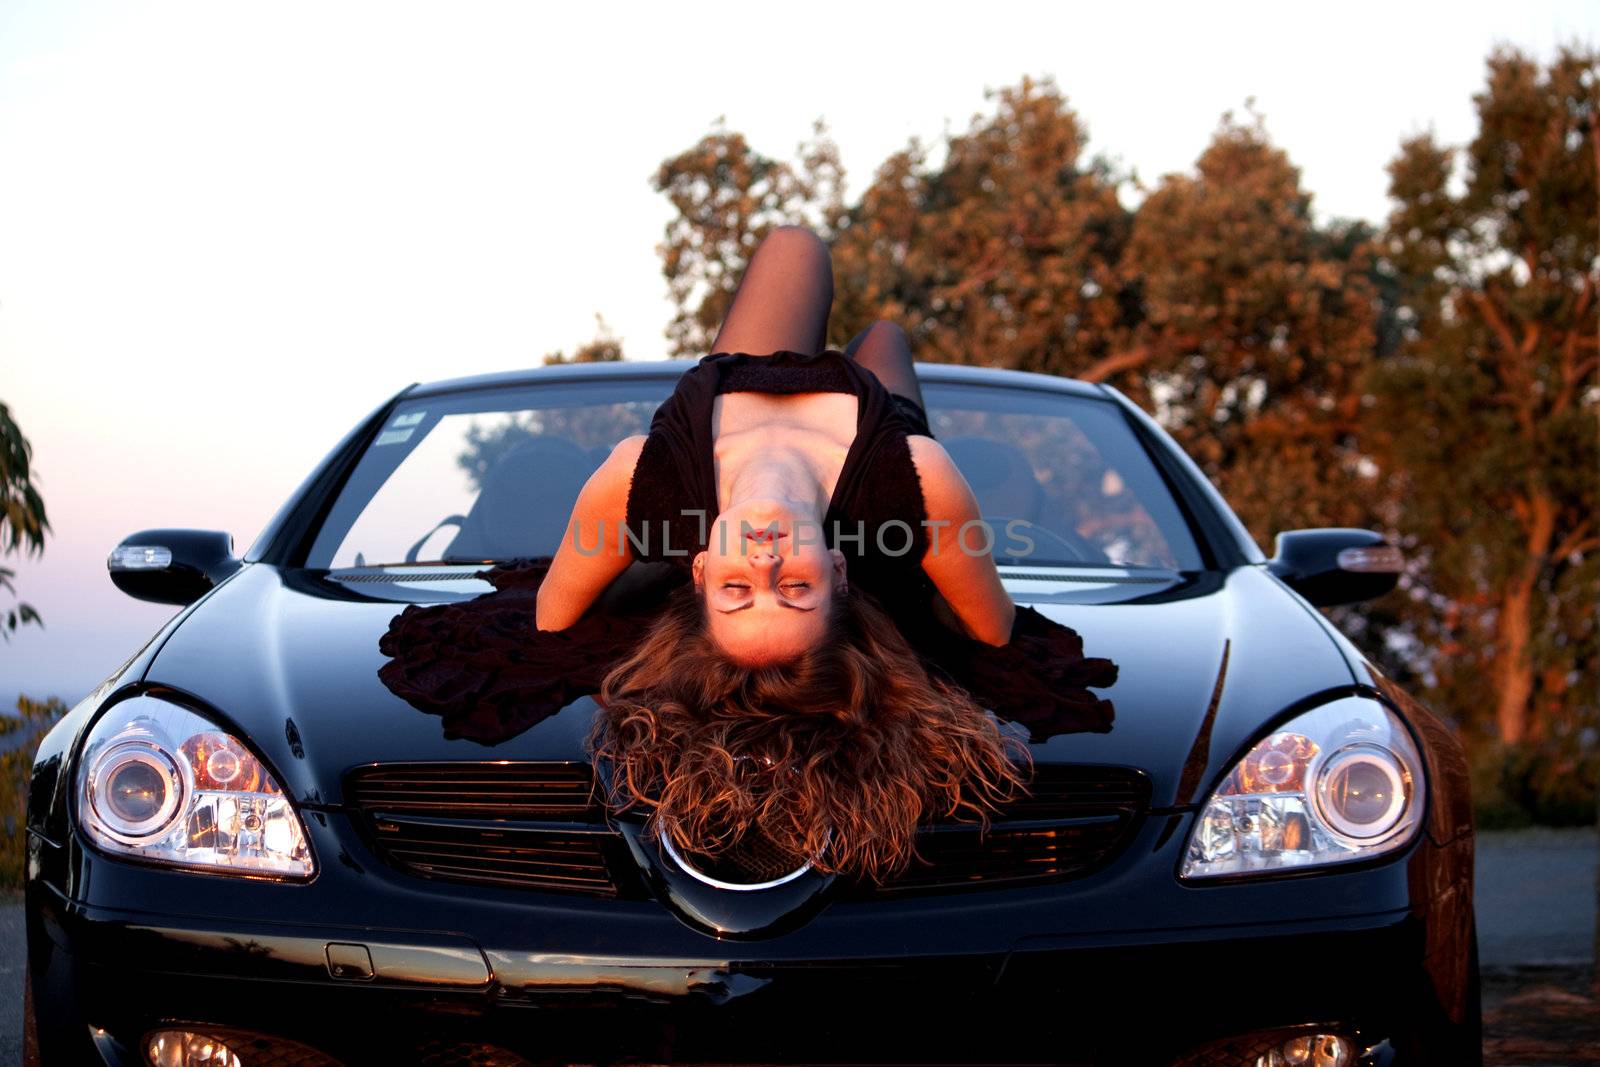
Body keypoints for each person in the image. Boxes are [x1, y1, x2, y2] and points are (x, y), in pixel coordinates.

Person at [533, 225, 1016, 665]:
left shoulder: (644, 482)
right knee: (886, 338)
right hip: (882, 441)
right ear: (837, 569)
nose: (765, 562)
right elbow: (994, 630)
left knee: (794, 246)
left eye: (737, 588)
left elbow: (550, 617)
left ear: (699, 570)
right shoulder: (916, 484)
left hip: (738, 395)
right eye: (797, 587)